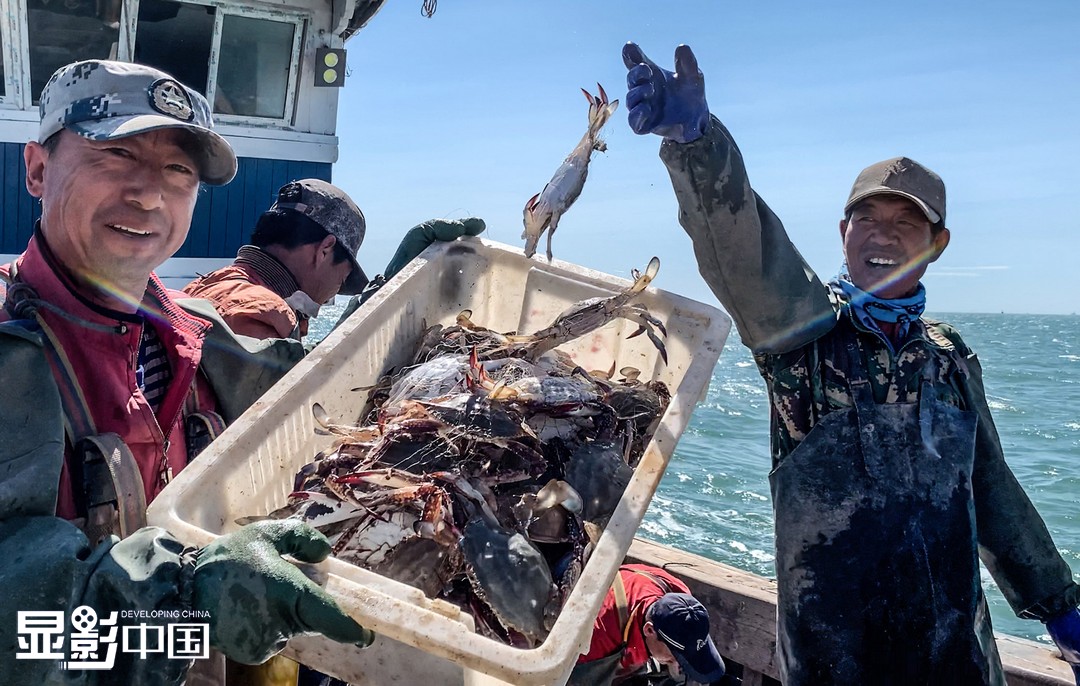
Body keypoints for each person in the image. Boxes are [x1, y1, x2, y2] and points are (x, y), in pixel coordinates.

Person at [620, 42, 1080, 685]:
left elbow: (993, 490)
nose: (884, 235)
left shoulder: (948, 362)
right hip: (835, 665)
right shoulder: (803, 338)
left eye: (906, 223)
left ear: (936, 246)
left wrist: (1061, 608)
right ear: (844, 234)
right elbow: (749, 258)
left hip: (961, 660)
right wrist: (698, 146)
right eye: (868, 219)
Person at [0, 59, 373, 684]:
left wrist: (401, 313)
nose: (150, 194)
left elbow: (339, 403)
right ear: (38, 169)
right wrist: (185, 600)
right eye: (115, 154)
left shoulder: (199, 334)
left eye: (178, 170)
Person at [182, 178, 486, 342]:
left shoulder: (208, 286)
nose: (336, 292)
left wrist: (391, 287)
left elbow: (302, 372)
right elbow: (295, 406)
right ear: (326, 249)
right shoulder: (266, 314)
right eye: (344, 276)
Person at [568, 564, 725, 686]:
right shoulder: (597, 635)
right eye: (674, 656)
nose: (678, 664)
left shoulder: (680, 595)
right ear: (649, 630)